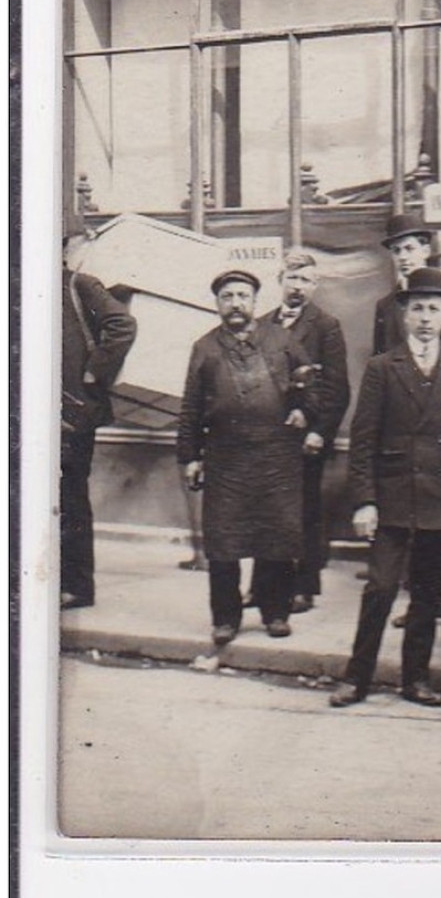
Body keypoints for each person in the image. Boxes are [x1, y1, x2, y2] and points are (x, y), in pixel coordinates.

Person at [330, 268, 441, 708]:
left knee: (428, 594)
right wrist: (364, 502)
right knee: (380, 588)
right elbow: (363, 439)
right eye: (418, 309)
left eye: (435, 309)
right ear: (404, 315)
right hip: (392, 496)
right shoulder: (382, 367)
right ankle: (357, 677)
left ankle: (416, 679)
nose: (426, 318)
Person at [177, 270, 316, 645]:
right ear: (218, 303)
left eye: (242, 295)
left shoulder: (282, 339)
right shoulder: (204, 348)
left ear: (255, 301)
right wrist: (190, 456)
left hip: (277, 455)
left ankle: (276, 612)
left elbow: (310, 381)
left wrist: (304, 409)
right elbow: (191, 407)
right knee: (224, 540)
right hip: (226, 457)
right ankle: (226, 617)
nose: (235, 303)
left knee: (278, 535)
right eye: (227, 296)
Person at [257, 249, 350, 614]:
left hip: (306, 437)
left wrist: (321, 433)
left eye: (306, 280)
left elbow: (337, 388)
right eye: (292, 278)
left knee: (304, 511)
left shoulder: (326, 327)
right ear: (280, 280)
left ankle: (304, 586)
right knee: (267, 510)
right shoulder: (263, 324)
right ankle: (265, 587)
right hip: (268, 437)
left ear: (316, 286)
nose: (298, 287)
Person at [60, 237, 136, 610]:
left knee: (69, 498)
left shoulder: (79, 283)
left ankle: (77, 586)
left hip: (71, 414)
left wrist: (94, 372)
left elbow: (122, 324)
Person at [371, 214, 441, 356]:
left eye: (409, 248)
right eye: (396, 251)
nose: (403, 257)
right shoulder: (385, 306)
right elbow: (378, 357)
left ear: (425, 251)